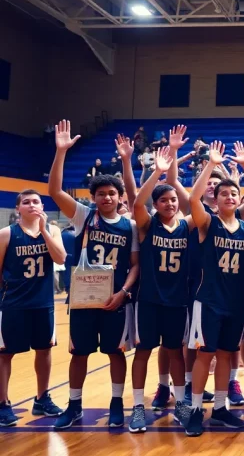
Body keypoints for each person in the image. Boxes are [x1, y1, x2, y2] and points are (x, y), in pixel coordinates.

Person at [48, 121, 140, 431]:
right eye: (101, 194)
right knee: (80, 353)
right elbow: (55, 191)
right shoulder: (85, 217)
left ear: (119, 197)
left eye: (112, 193)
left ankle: (116, 403)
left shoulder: (130, 226)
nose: (106, 198)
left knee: (116, 352)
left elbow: (135, 264)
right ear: (95, 197)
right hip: (84, 299)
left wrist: (124, 293)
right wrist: (61, 152)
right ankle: (74, 405)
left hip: (116, 298)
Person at [184, 141, 244, 437]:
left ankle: (219, 408)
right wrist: (212, 165)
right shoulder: (207, 223)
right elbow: (192, 199)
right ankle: (193, 410)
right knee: (206, 355)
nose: (229, 196)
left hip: (236, 301)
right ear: (215, 198)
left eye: (234, 193)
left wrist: (243, 166)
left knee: (227, 355)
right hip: (209, 300)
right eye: (223, 193)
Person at [127, 147, 194, 433]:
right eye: (164, 200)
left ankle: (180, 403)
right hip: (150, 300)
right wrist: (157, 172)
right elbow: (137, 204)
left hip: (177, 300)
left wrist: (176, 166)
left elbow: (196, 205)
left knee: (175, 352)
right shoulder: (147, 224)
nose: (170, 204)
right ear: (156, 204)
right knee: (143, 352)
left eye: (173, 199)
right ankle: (138, 407)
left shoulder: (186, 225)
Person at [0, 190, 67, 426]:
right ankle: (3, 403)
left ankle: (42, 398)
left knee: (44, 350)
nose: (31, 205)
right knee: (5, 353)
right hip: (13, 304)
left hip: (43, 303)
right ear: (18, 208)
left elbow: (60, 259)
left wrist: (44, 231)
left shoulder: (53, 231)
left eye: (36, 201)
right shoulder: (6, 234)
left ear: (42, 207)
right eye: (26, 202)